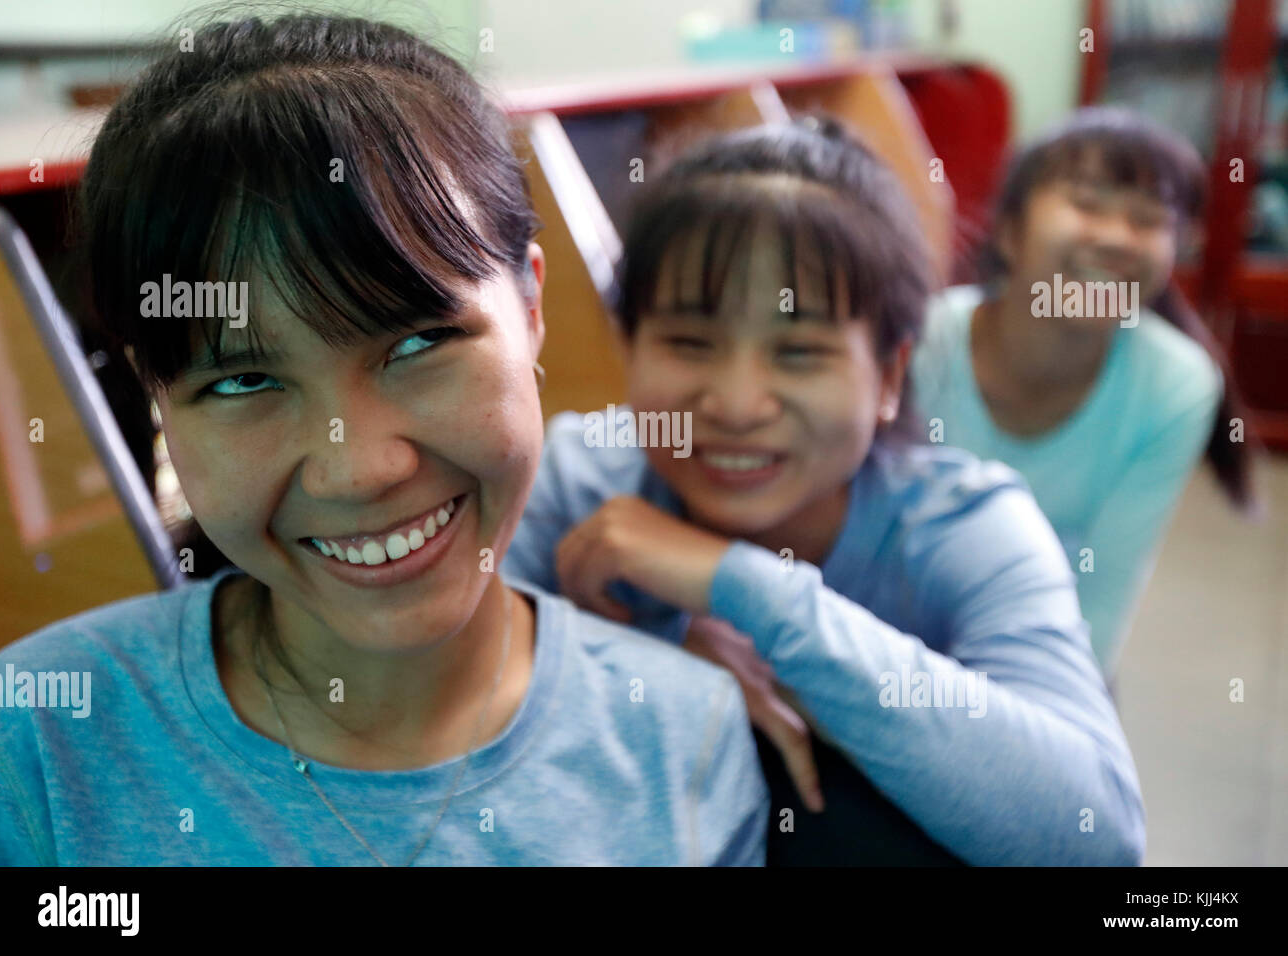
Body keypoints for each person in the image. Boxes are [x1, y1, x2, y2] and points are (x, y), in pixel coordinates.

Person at [0, 13, 767, 866]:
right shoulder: (36, 744)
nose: (358, 469)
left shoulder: (682, 744)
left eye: (418, 343)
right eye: (245, 380)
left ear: (533, 310)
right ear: (158, 397)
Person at [502, 116, 1147, 865]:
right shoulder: (576, 479)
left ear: (891, 376)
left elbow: (1095, 836)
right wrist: (651, 661)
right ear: (631, 347)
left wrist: (744, 586)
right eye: (688, 342)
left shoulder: (965, 524)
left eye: (799, 352)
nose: (737, 405)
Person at [913, 107, 1258, 678]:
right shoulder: (922, 343)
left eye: (1148, 220)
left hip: (1047, 650)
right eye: (1087, 204)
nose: (1118, 238)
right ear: (1009, 232)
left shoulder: (1177, 385)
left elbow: (1102, 602)